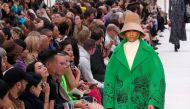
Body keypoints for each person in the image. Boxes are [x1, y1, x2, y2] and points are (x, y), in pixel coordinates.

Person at [103, 12, 166, 109]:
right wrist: (109, 104)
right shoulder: (117, 52)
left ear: (139, 32)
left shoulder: (148, 52)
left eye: (134, 30)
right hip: (121, 104)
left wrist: (153, 100)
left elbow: (157, 77)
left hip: (143, 102)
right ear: (124, 32)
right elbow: (110, 79)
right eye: (128, 30)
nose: (131, 33)